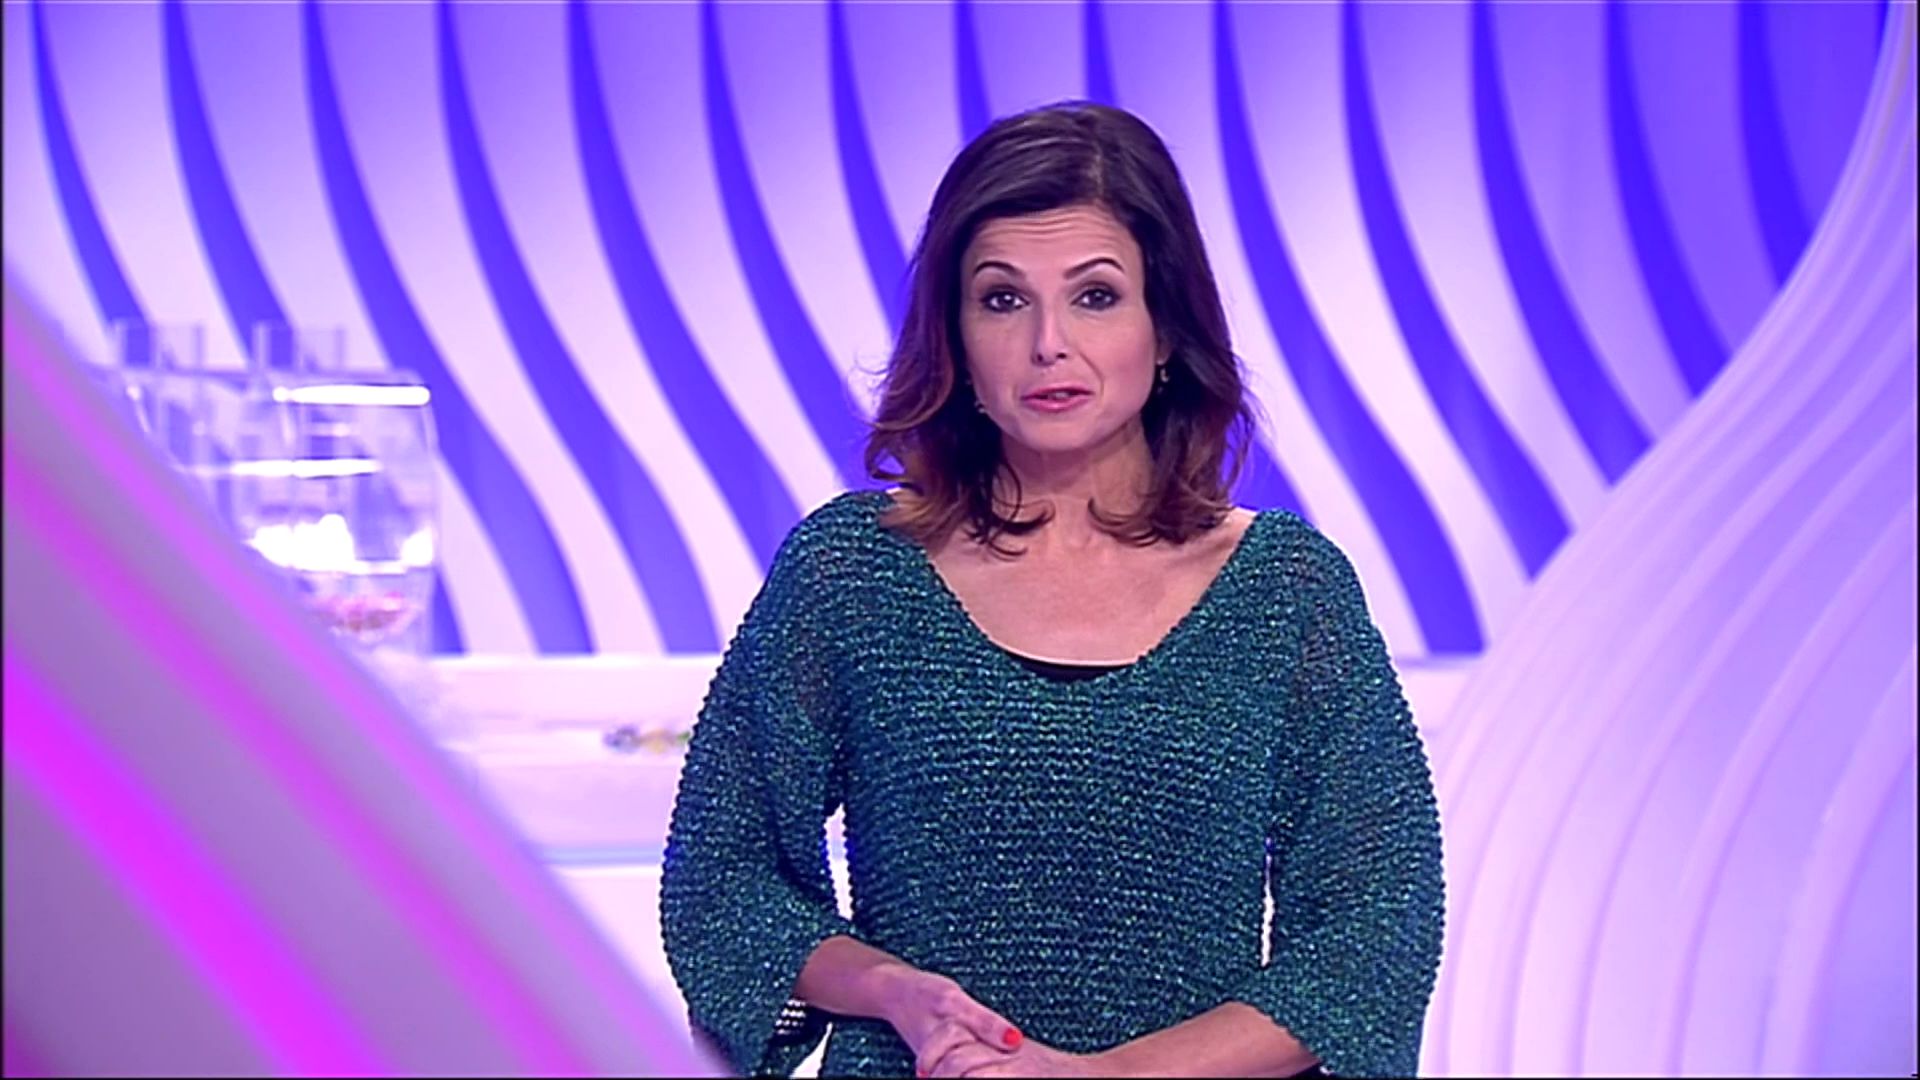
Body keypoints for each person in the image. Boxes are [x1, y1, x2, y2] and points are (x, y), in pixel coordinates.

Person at [660, 101, 1443, 1079]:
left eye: (1096, 296)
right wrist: (894, 991)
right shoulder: (851, 572)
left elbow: (1375, 933)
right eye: (1002, 299)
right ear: (954, 338)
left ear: (1166, 329)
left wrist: (1104, 1078)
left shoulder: (1285, 591)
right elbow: (722, 879)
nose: (1047, 344)